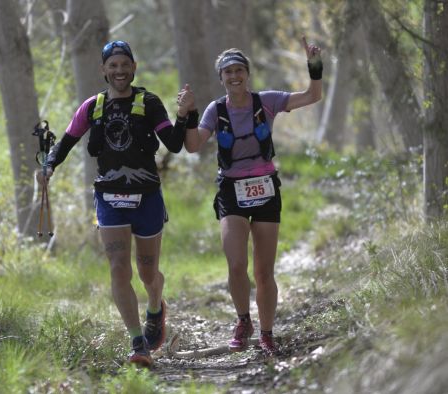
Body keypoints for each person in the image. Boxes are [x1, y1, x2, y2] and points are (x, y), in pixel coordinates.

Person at [37, 40, 192, 367]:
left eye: (125, 65)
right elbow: (65, 143)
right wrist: (48, 165)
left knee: (148, 274)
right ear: (103, 70)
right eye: (113, 65)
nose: (119, 71)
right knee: (118, 269)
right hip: (109, 198)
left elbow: (175, 145)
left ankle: (155, 307)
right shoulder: (92, 106)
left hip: (147, 197)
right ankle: (138, 344)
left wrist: (183, 115)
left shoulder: (148, 103)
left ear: (134, 67)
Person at [179, 37, 323, 355]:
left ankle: (267, 333)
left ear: (247, 73)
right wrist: (188, 113)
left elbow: (313, 95)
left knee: (263, 270)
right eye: (228, 72)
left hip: (265, 187)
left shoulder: (267, 101)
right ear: (221, 78)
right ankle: (244, 320)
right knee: (236, 264)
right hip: (231, 190)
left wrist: (314, 65)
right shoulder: (216, 111)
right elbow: (192, 145)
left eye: (239, 70)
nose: (234, 76)